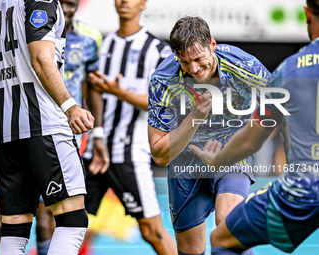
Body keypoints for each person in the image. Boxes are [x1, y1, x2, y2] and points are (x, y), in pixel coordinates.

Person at [188, 1, 319, 254]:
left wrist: (216, 162)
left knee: (223, 239)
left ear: (306, 14)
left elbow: (251, 139)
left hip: (304, 190)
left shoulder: (288, 70)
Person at [148, 16, 271, 255]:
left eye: (199, 59)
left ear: (212, 45)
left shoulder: (245, 66)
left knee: (228, 226)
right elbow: (160, 155)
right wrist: (195, 115)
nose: (194, 69)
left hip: (231, 149)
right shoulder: (163, 80)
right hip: (185, 158)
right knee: (190, 250)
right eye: (185, 62)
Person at [0, 0, 95, 254]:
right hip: (43, 124)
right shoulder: (42, 1)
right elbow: (40, 58)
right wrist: (70, 106)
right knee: (72, 220)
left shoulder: (1, 4)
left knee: (14, 230)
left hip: (7, 130)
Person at [82, 0, 177, 254]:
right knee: (69, 224)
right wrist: (98, 133)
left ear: (143, 3)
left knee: (152, 231)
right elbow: (91, 90)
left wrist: (118, 91)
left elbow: (166, 103)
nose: (124, 1)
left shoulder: (158, 51)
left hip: (130, 154)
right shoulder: (102, 45)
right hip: (94, 150)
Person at [33, 0, 103, 254]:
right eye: (63, 3)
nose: (67, 9)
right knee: (39, 217)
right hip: (36, 127)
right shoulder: (35, 31)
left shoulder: (91, 38)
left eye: (72, 4)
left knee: (67, 212)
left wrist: (99, 135)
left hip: (72, 132)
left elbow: (94, 85)